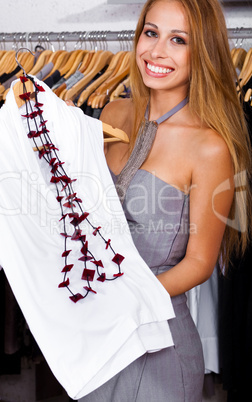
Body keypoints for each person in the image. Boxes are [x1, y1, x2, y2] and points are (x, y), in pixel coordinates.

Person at [67, 0, 252, 400]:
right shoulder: (113, 113)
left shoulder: (209, 146)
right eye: (151, 33)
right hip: (94, 341)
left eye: (178, 40)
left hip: (159, 345)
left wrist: (126, 298)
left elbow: (200, 264)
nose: (157, 52)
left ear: (202, 50)